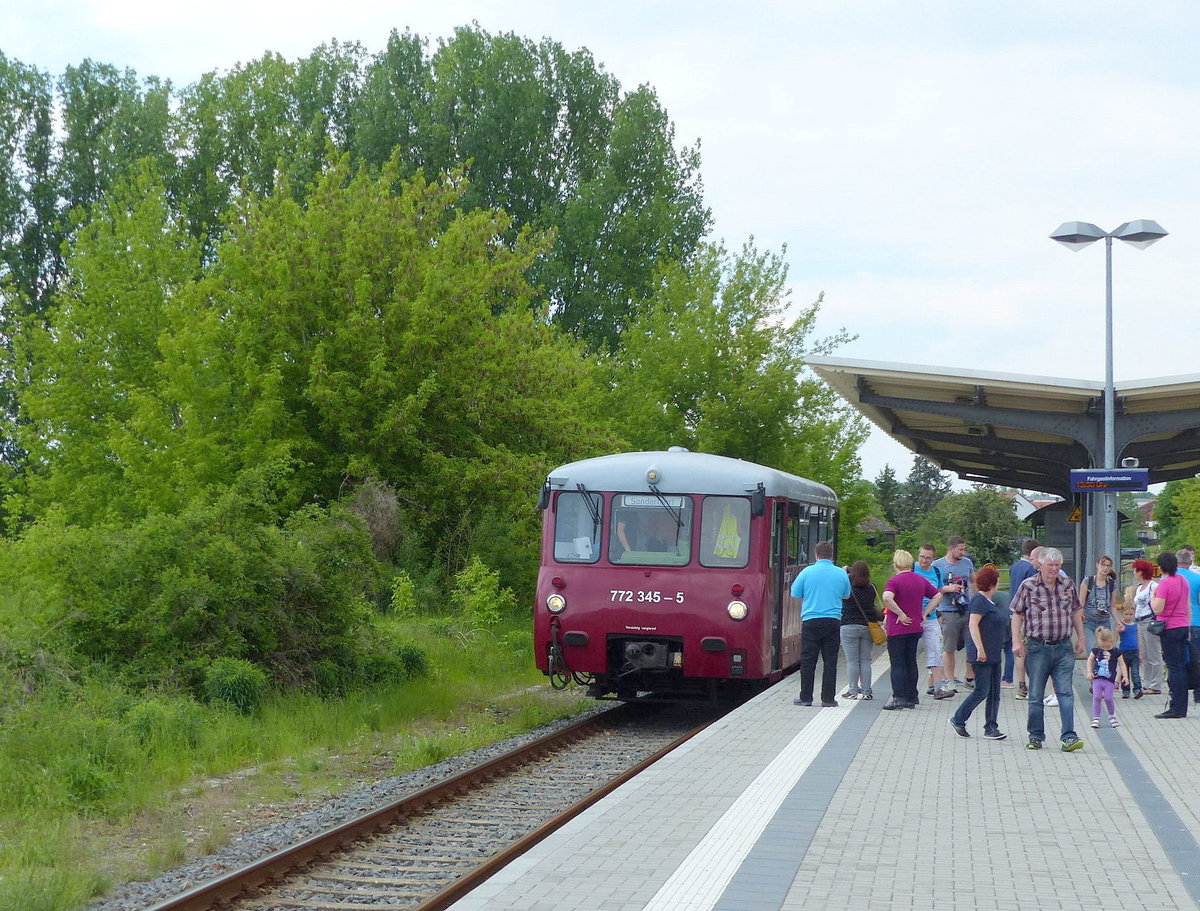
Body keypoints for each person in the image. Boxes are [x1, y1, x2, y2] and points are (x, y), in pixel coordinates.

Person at [1011, 546, 1085, 752]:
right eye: (1050, 565)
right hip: (1037, 647)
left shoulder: (1067, 585)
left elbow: (1076, 611)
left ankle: (1069, 736)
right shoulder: (1028, 586)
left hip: (1063, 646)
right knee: (1035, 694)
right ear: (1041, 565)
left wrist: (1081, 638)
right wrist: (1016, 641)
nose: (1054, 569)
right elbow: (1017, 614)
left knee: (1065, 692)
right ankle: (1035, 735)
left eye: (1057, 565)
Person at [948, 565, 1008, 740]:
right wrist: (980, 649)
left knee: (995, 692)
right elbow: (973, 624)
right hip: (983, 654)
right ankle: (958, 719)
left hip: (994, 653)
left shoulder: (989, 602)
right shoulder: (979, 601)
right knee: (982, 690)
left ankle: (991, 726)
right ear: (993, 583)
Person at [791, 540, 851, 707]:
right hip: (832, 621)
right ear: (831, 555)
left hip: (811, 620)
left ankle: (805, 697)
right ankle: (828, 699)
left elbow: (795, 593)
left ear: (816, 555)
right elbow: (847, 595)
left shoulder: (807, 572)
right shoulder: (841, 573)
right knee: (830, 661)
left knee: (808, 660)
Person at [881, 549, 942, 710]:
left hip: (898, 627)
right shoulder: (919, 579)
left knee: (897, 663)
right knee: (911, 661)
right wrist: (925, 613)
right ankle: (912, 696)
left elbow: (887, 597)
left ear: (896, 564)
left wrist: (900, 613)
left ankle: (899, 697)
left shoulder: (894, 581)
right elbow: (937, 595)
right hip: (915, 626)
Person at [1151, 551, 1191, 719]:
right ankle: (1182, 705)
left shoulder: (1164, 584)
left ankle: (1176, 707)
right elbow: (1187, 604)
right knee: (1181, 666)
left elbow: (1158, 609)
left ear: (1161, 567)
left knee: (1173, 667)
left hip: (1169, 628)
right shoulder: (1182, 580)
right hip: (1182, 625)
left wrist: (1153, 597)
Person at [934, 536, 975, 691]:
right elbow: (932, 587)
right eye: (960, 549)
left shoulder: (967, 563)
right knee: (949, 646)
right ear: (951, 548)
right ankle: (949, 679)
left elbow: (973, 582)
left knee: (972, 645)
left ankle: (970, 677)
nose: (963, 552)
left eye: (964, 549)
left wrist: (975, 600)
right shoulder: (938, 565)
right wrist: (947, 589)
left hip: (967, 609)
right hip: (948, 610)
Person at [913, 544, 951, 699]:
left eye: (928, 558)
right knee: (911, 653)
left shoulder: (936, 571)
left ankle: (937, 688)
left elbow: (939, 592)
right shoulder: (911, 569)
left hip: (931, 617)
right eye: (922, 556)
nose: (924, 560)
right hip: (913, 617)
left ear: (933, 559)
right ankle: (910, 688)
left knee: (935, 651)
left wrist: (936, 610)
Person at [840, 560, 881, 700]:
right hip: (866, 627)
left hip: (848, 626)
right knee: (865, 660)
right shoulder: (872, 588)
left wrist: (846, 570)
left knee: (852, 661)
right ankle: (866, 691)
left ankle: (852, 691)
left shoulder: (847, 587)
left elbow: (842, 580)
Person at [1008, 539, 1039, 700]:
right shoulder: (1031, 568)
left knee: (1019, 651)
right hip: (1028, 615)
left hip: (1014, 613)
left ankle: (1021, 686)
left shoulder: (1015, 566)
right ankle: (1034, 685)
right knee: (1032, 652)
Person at [1128, 559, 1162, 698]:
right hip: (1140, 621)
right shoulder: (1140, 587)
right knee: (1144, 654)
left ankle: (1156, 684)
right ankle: (1147, 683)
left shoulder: (1153, 586)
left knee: (1154, 653)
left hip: (1149, 620)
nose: (1134, 573)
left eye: (1135, 570)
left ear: (1141, 571)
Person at [1078, 555, 1121, 653]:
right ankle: (1092, 668)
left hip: (1104, 622)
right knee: (1092, 650)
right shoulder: (1088, 581)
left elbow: (1112, 606)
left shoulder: (1111, 584)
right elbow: (1081, 604)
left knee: (1106, 651)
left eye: (1108, 566)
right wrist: (1079, 624)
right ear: (1097, 565)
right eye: (1103, 564)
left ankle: (1104, 669)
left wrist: (1118, 621)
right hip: (1089, 622)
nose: (1105, 568)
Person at [1087, 626, 1127, 729]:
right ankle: (1096, 718)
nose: (1105, 648)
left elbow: (1122, 664)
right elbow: (1090, 660)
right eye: (1103, 646)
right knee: (1097, 697)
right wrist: (1089, 672)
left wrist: (1125, 676)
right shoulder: (1096, 650)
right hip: (1097, 679)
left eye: (1107, 646)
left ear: (1112, 641)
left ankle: (1112, 716)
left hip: (1109, 680)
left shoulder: (1115, 652)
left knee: (1108, 698)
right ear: (1099, 641)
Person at [1176, 547, 1200, 705]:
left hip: (1175, 624)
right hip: (1195, 622)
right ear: (1190, 561)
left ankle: (1178, 692)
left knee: (1177, 660)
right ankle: (1198, 693)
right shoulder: (1197, 579)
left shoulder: (1168, 579)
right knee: (1197, 659)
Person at [1118, 602, 1141, 699]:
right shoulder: (1121, 625)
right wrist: (1119, 630)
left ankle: (1137, 689)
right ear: (1122, 613)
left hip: (1135, 651)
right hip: (1124, 651)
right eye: (1126, 614)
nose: (1128, 616)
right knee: (1124, 672)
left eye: (1131, 614)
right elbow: (1116, 636)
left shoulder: (1136, 625)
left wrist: (1141, 653)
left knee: (1135, 672)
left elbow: (1139, 639)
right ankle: (1125, 690)